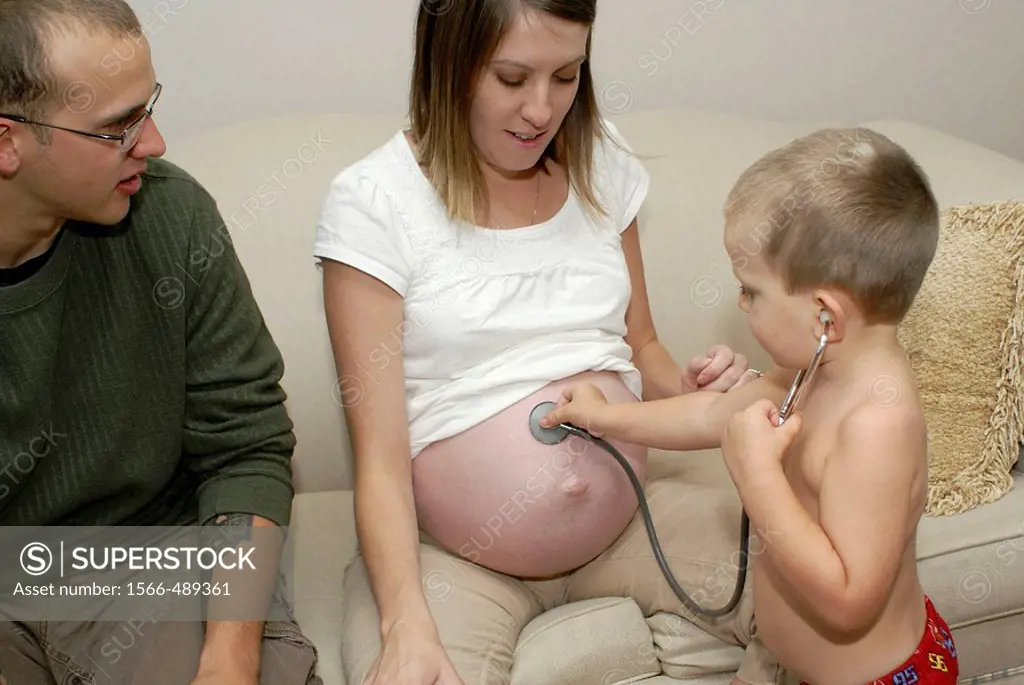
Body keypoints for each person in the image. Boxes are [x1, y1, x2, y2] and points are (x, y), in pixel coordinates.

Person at [313, 1, 774, 683]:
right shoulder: (374, 203)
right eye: (511, 78)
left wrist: (693, 389)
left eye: (566, 75)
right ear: (451, 62)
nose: (541, 109)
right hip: (456, 556)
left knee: (822, 594)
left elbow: (640, 344)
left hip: (632, 520)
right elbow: (379, 461)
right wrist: (405, 621)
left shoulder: (601, 163)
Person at [540, 126, 960, 685]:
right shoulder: (809, 371)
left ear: (825, 318)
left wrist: (757, 475)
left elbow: (850, 602)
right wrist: (603, 416)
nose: (740, 301)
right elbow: (709, 415)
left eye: (751, 290)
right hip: (781, 658)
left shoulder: (877, 425)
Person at [0, 1, 320, 683]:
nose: (154, 143)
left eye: (147, 108)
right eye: (118, 127)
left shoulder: (172, 217)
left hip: (148, 560)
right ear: (6, 142)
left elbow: (247, 447)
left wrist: (228, 659)